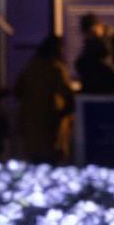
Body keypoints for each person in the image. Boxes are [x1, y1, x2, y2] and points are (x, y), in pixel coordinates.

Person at [15, 35, 76, 164]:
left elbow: (18, 90)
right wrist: (66, 112)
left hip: (31, 124)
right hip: (51, 124)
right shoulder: (56, 68)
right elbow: (67, 95)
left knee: (35, 161)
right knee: (53, 162)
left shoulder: (31, 67)